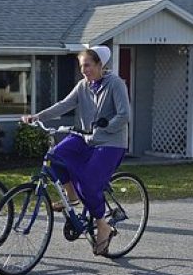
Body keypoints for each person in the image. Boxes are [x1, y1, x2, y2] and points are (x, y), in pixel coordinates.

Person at [21, 45, 130, 256]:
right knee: (54, 157)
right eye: (82, 66)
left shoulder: (115, 84)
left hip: (110, 142)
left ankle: (102, 225)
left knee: (88, 184)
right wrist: (38, 117)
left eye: (88, 65)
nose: (85, 70)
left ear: (100, 65)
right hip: (84, 137)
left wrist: (104, 127)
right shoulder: (83, 85)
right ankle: (71, 198)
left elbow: (124, 115)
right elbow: (64, 105)